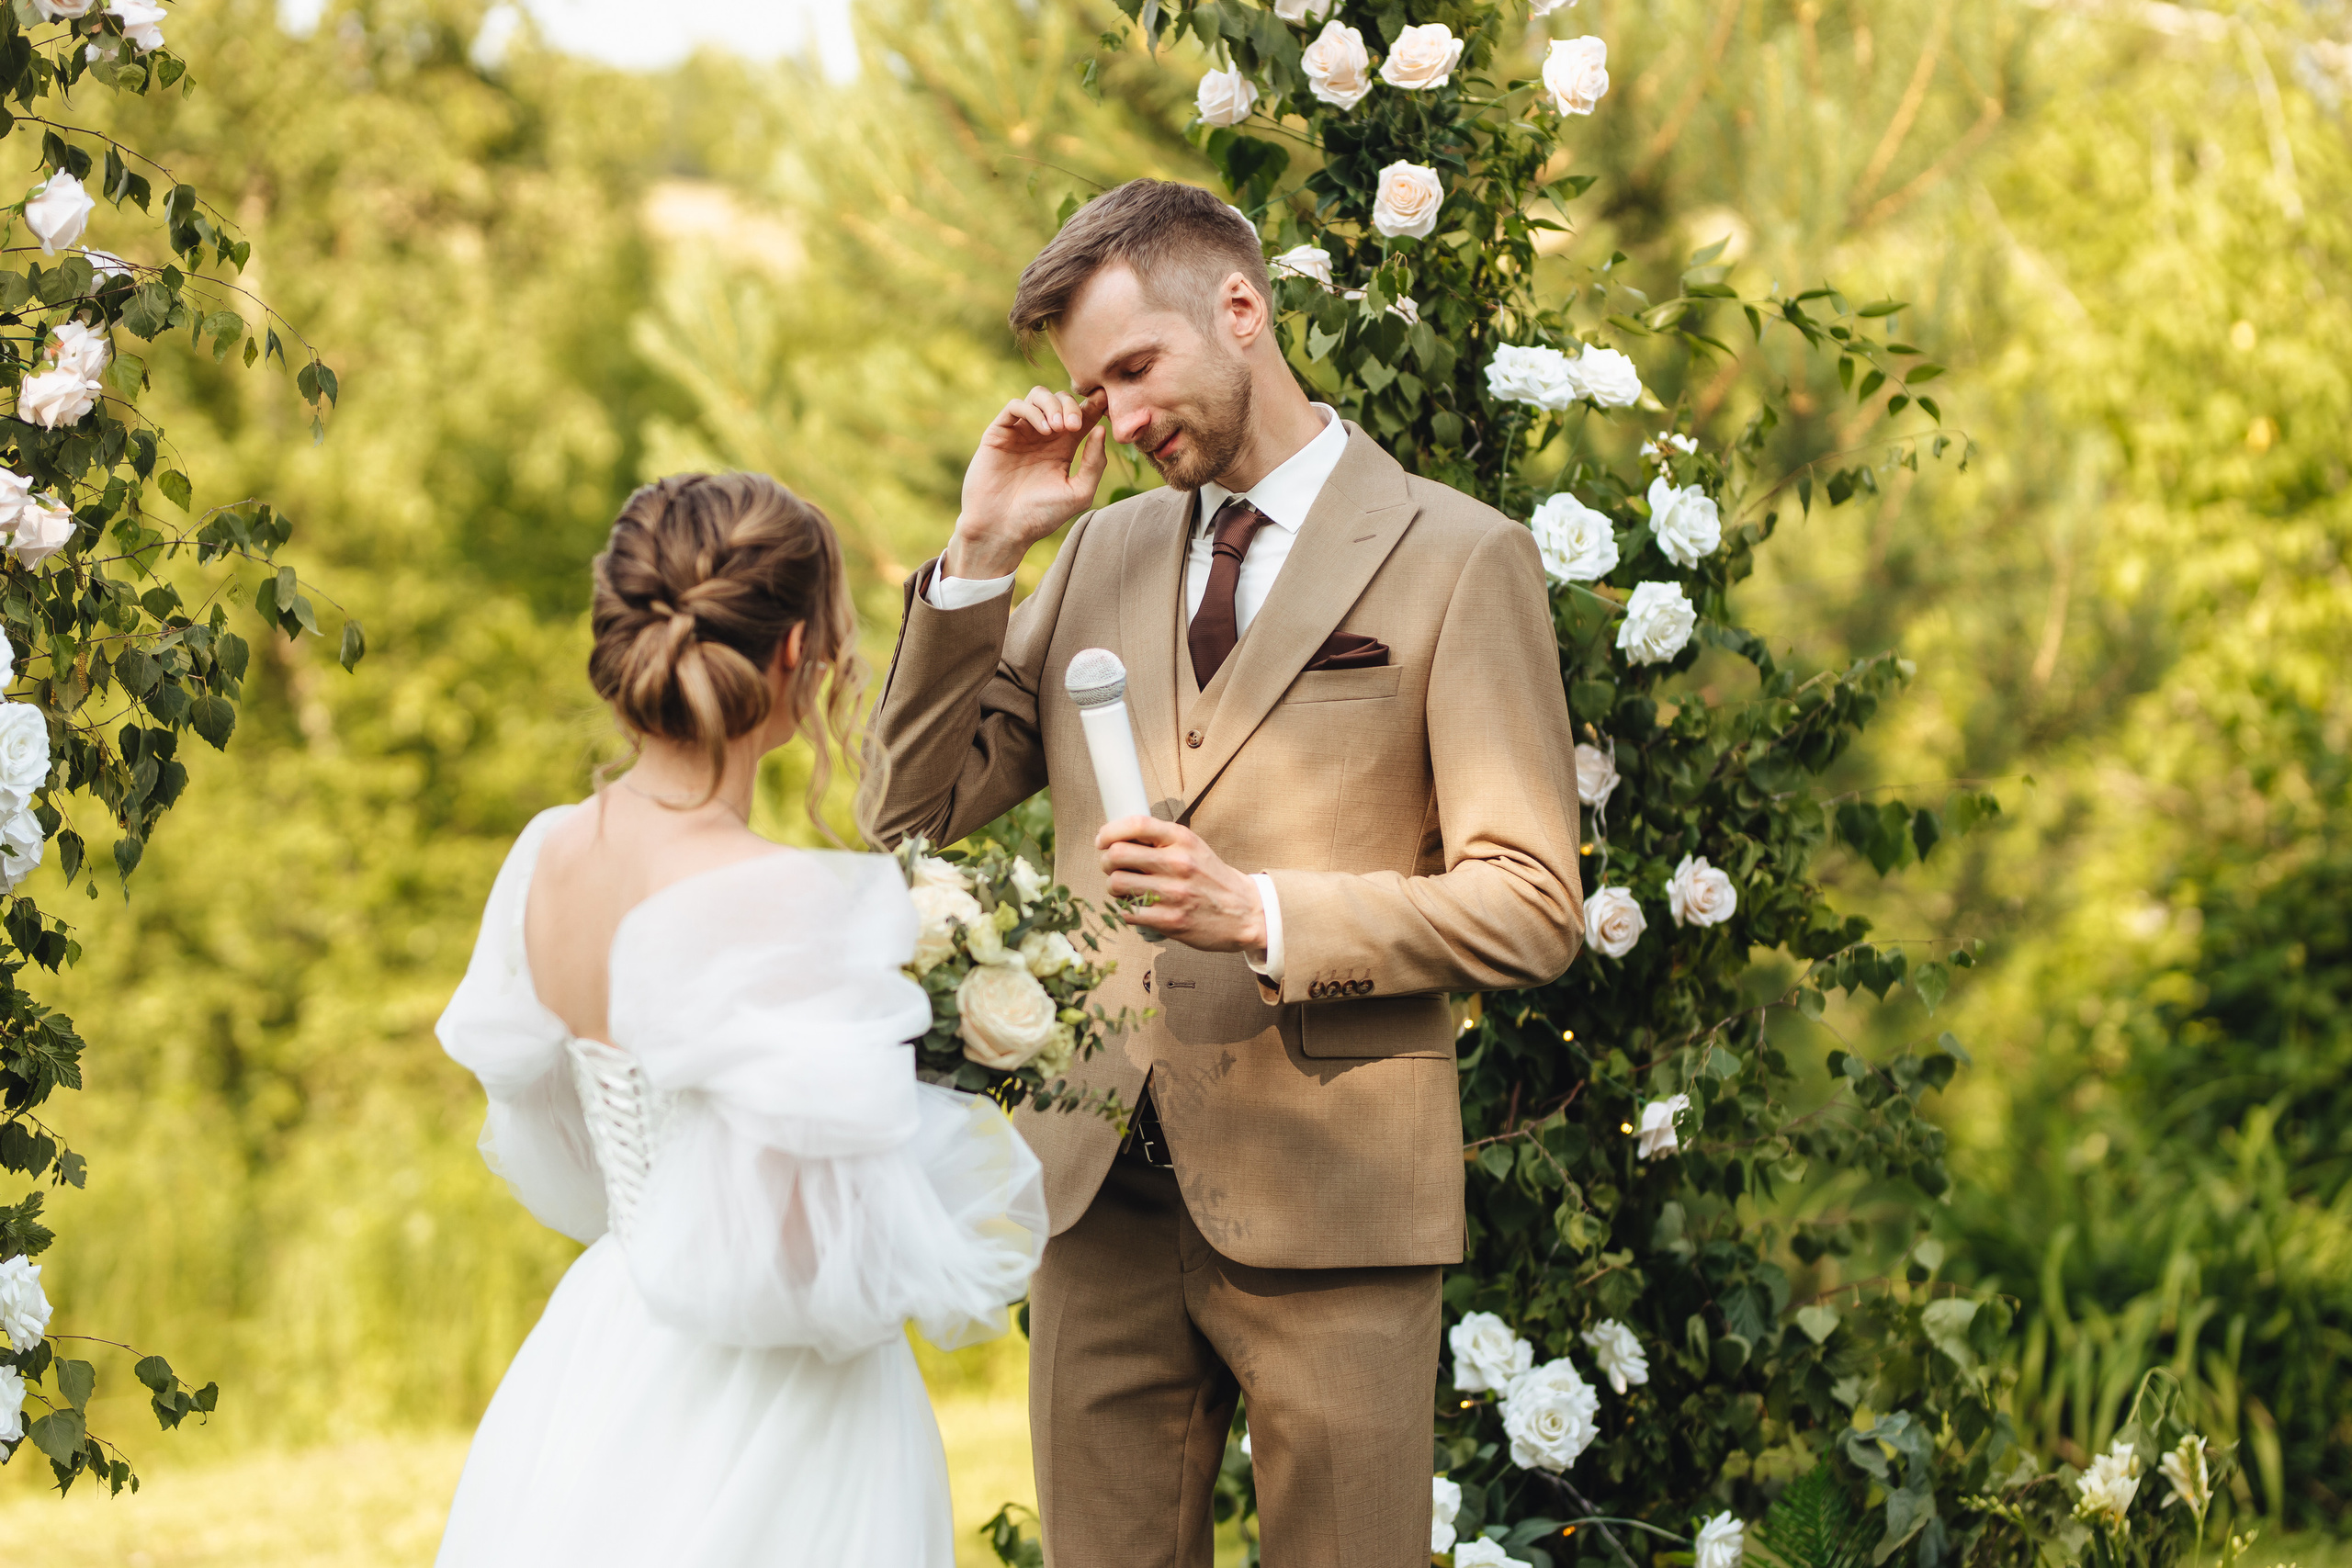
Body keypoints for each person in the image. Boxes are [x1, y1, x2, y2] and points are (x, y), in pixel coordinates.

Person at [863, 180, 1585, 1568]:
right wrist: (983, 553)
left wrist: (1260, 910)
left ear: (1242, 311)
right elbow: (912, 802)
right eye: (1092, 388)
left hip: (1337, 1194)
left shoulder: (1457, 558)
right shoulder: (1100, 549)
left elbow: (1534, 899)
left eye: (1134, 370)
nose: (1119, 421)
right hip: (1099, 1193)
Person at [434, 473, 1046, 1567]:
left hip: (609, 1346)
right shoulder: (784, 901)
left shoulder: (550, 855)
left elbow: (557, 1150)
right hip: (778, 1404)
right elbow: (811, 1259)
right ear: (794, 652)